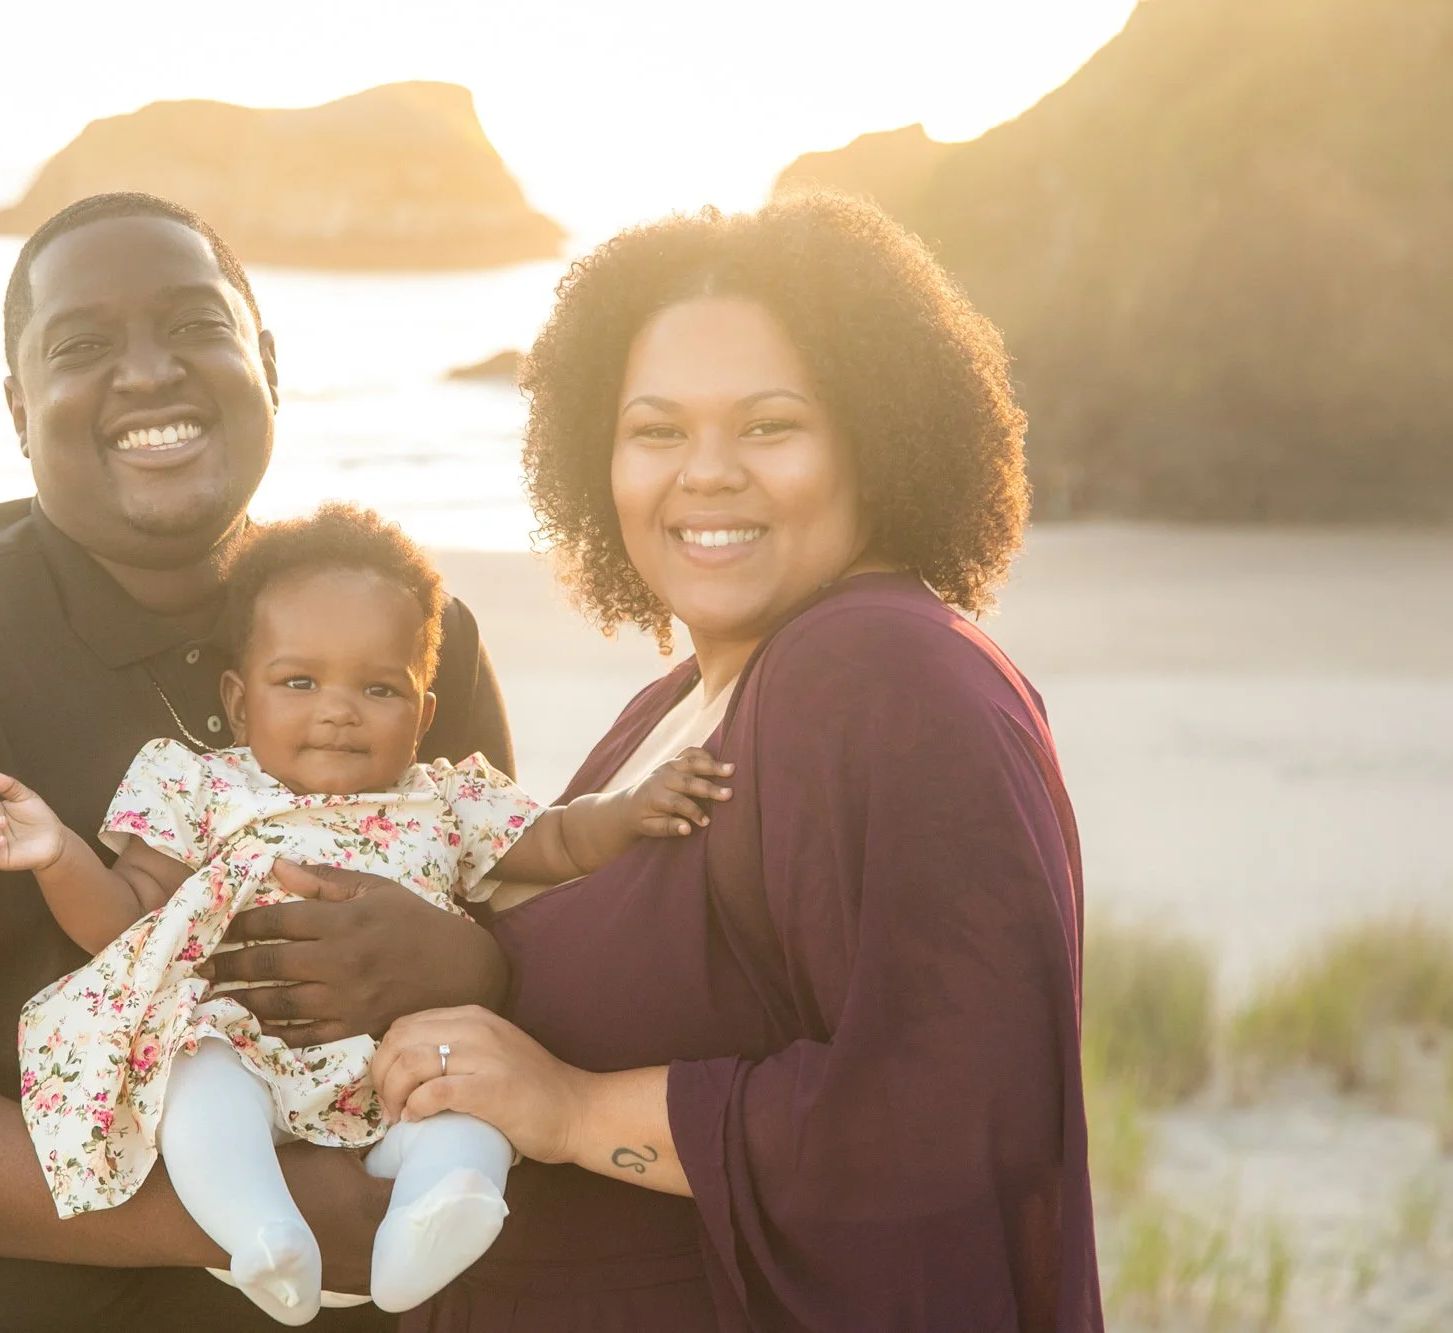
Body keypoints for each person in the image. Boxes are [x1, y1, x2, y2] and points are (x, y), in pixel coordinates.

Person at [218, 193, 1105, 1329]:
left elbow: (956, 1112)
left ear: (874, 440)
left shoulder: (881, 672)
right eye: (655, 431)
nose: (705, 473)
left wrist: (578, 1110)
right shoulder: (678, 701)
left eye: (769, 426)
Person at [0, 194, 520, 1331]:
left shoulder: (401, 638)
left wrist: (470, 967)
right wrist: (256, 1211)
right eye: (81, 347)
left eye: (195, 326)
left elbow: (509, 941)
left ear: (267, 367)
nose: (148, 375)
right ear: (18, 407)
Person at [0, 504, 733, 1322]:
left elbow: (562, 839)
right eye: (299, 682)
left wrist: (634, 805)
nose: (338, 709)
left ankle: (433, 1222)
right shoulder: (199, 784)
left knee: (469, 1103)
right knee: (193, 1076)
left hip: (397, 1061)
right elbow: (127, 921)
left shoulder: (446, 796)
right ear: (239, 697)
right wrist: (58, 855)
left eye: (378, 687)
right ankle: (259, 1228)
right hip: (246, 1044)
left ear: (423, 712)